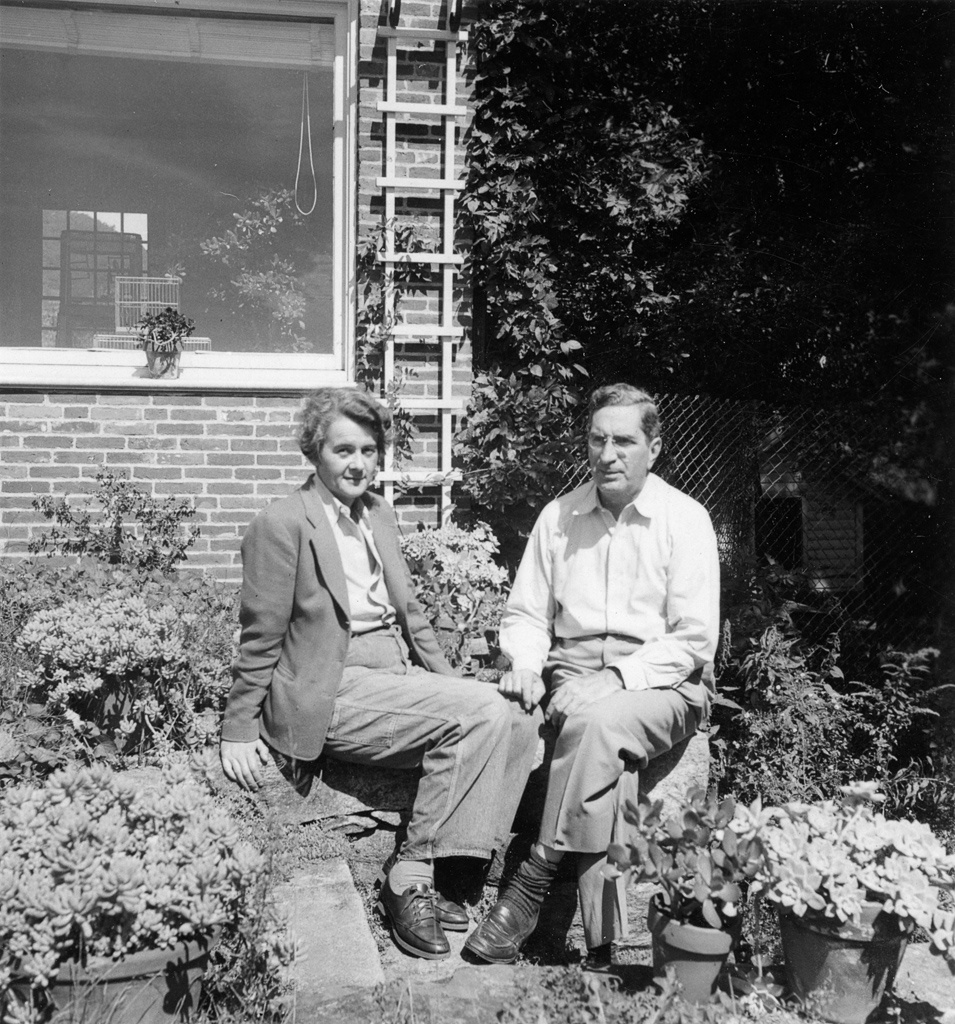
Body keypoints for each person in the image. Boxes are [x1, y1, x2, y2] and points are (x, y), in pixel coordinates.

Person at [220, 387, 541, 961]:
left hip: (395, 676)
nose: (358, 463)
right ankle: (408, 874)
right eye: (343, 450)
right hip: (331, 685)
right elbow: (260, 634)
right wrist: (238, 726)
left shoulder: (378, 514)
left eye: (368, 451)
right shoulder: (282, 523)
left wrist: (452, 681)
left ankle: (456, 876)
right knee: (481, 712)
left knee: (518, 713)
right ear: (314, 451)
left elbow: (412, 613)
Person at [465, 383, 720, 968]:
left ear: (654, 448)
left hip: (666, 683)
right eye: (597, 439)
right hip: (572, 672)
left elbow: (693, 640)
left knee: (596, 723)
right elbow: (526, 615)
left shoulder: (685, 519)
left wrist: (614, 679)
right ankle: (603, 945)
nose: (608, 454)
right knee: (606, 751)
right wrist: (526, 666)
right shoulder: (560, 517)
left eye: (624, 441)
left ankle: (533, 879)